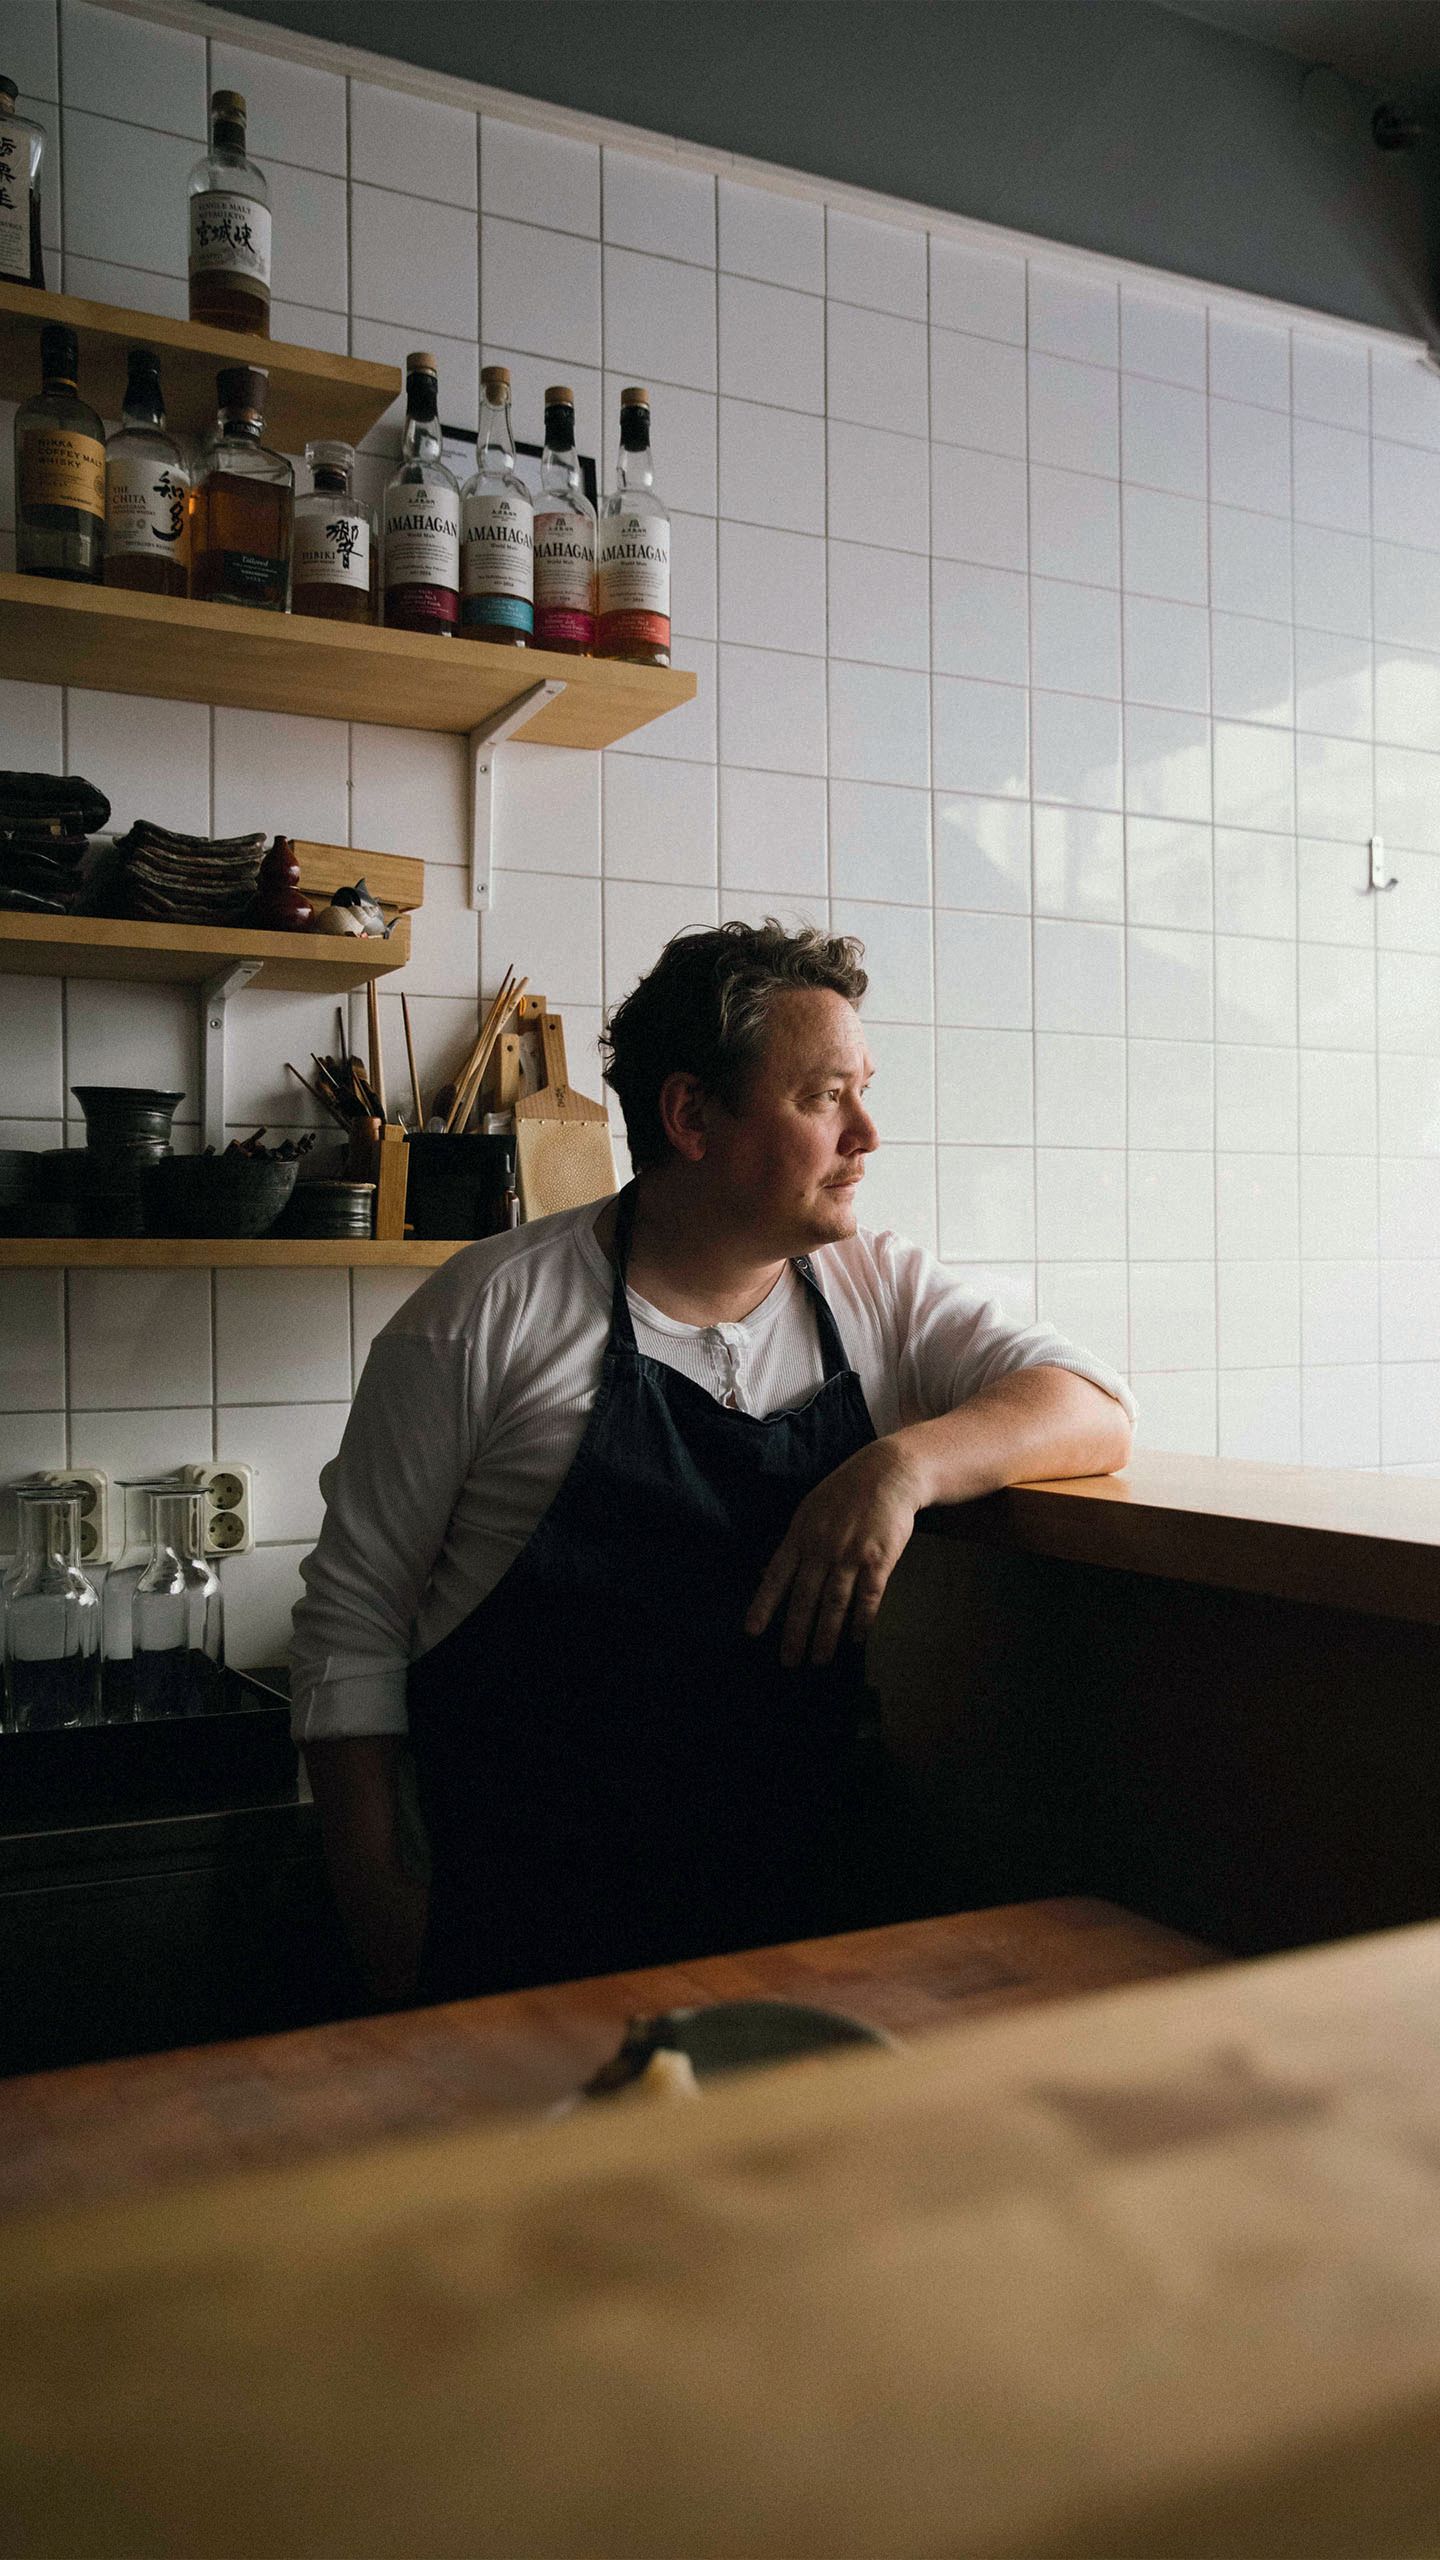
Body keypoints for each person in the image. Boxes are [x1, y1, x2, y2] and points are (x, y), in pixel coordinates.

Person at [292, 920, 1134, 2004]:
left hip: (797, 1931)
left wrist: (898, 1470)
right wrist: (393, 1935)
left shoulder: (877, 1286)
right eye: (824, 1096)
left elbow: (1094, 1402)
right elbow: (348, 1635)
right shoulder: (480, 1319)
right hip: (525, 1937)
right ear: (691, 1114)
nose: (867, 1134)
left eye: (862, 1090)